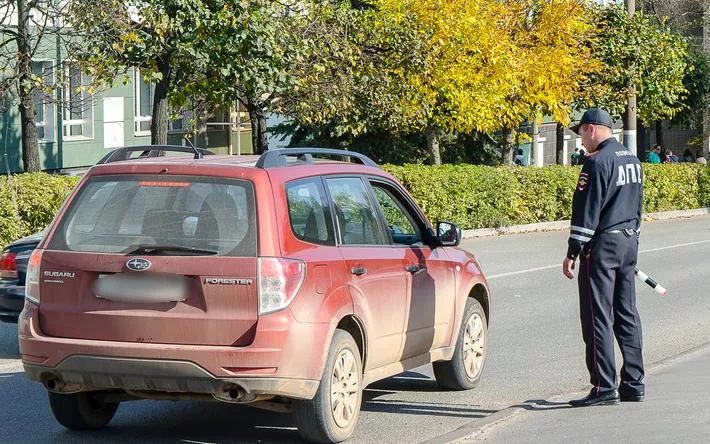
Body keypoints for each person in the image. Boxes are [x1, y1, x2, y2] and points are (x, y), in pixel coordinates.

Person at [563, 108, 645, 407]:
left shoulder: (596, 162)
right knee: (627, 314)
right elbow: (637, 206)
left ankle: (603, 387)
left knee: (597, 316)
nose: (581, 140)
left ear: (592, 129)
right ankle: (634, 383)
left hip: (602, 247)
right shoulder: (632, 159)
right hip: (628, 241)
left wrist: (573, 250)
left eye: (581, 132)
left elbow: (586, 212)